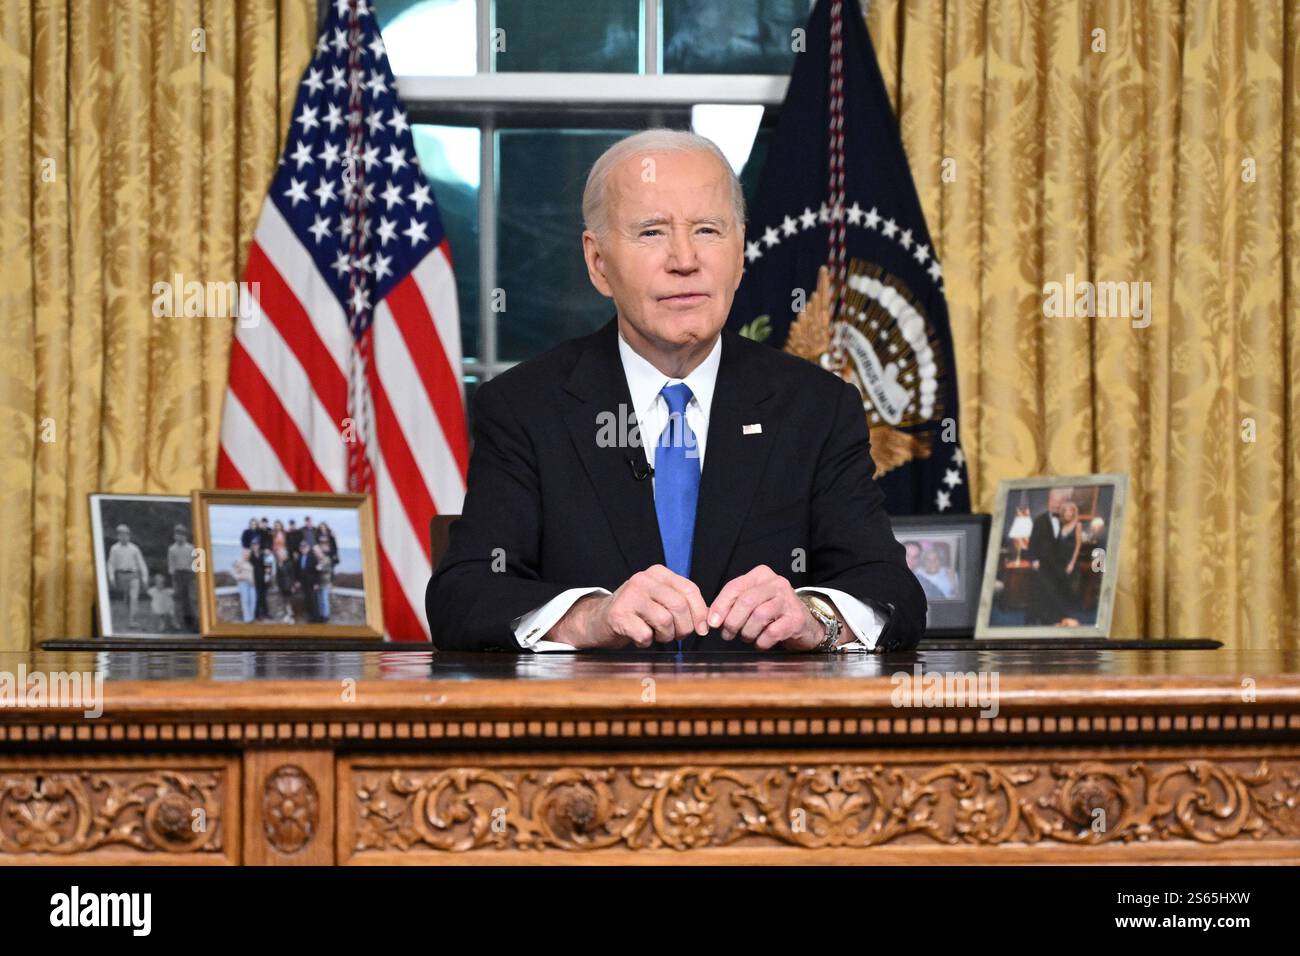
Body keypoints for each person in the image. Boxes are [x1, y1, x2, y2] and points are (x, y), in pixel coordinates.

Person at [427, 129, 925, 654]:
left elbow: (893, 593)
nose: (684, 259)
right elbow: (464, 597)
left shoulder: (817, 408)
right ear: (598, 263)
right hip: (594, 726)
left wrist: (815, 617)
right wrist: (590, 617)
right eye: (651, 233)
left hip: (764, 726)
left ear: (740, 252)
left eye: (708, 230)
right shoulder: (524, 407)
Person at [107, 523, 150, 629]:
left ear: (129, 536)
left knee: (134, 597)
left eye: (125, 534)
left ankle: (132, 620)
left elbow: (141, 563)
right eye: (121, 535)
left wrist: (144, 578)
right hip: (122, 575)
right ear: (118, 536)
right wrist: (111, 577)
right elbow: (111, 563)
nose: (123, 537)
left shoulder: (134, 549)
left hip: (133, 575)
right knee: (127, 598)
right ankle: (130, 616)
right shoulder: (114, 549)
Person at [166, 524, 197, 631]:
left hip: (190, 575)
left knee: (191, 599)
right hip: (178, 575)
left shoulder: (191, 548)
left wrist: (194, 576)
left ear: (186, 536)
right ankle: (180, 622)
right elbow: (171, 565)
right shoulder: (172, 549)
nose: (180, 537)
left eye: (182, 534)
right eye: (177, 534)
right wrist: (173, 578)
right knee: (179, 599)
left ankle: (193, 622)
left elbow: (196, 563)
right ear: (174, 536)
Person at [292, 540, 320, 623]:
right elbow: (297, 571)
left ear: (308, 548)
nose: (303, 549)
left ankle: (316, 619)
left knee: (314, 601)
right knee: (308, 600)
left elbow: (317, 572)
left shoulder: (313, 557)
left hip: (312, 583)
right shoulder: (299, 558)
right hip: (304, 583)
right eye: (301, 547)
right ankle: (311, 617)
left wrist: (316, 583)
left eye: (304, 547)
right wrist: (297, 581)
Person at [232, 548, 256, 623]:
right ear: (243, 554)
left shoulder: (249, 562)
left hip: (251, 584)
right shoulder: (239, 562)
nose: (247, 555)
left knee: (253, 600)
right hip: (243, 583)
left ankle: (251, 617)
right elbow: (234, 574)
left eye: (248, 554)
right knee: (245, 601)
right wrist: (243, 577)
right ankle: (247, 619)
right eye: (246, 554)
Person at [249, 539, 272, 620]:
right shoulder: (250, 555)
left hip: (263, 579)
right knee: (257, 597)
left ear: (259, 545)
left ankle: (266, 613)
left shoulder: (263, 554)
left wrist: (268, 576)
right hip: (255, 579)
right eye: (254, 544)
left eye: (257, 544)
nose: (255, 546)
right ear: (252, 546)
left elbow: (268, 565)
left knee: (264, 597)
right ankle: (257, 615)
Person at [314, 544, 333, 622]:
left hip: (325, 582)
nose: (316, 553)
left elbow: (323, 568)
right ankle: (321, 615)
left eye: (317, 552)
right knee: (319, 600)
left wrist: (320, 568)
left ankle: (326, 616)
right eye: (315, 552)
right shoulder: (317, 560)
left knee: (324, 600)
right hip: (319, 583)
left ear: (321, 551)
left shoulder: (326, 559)